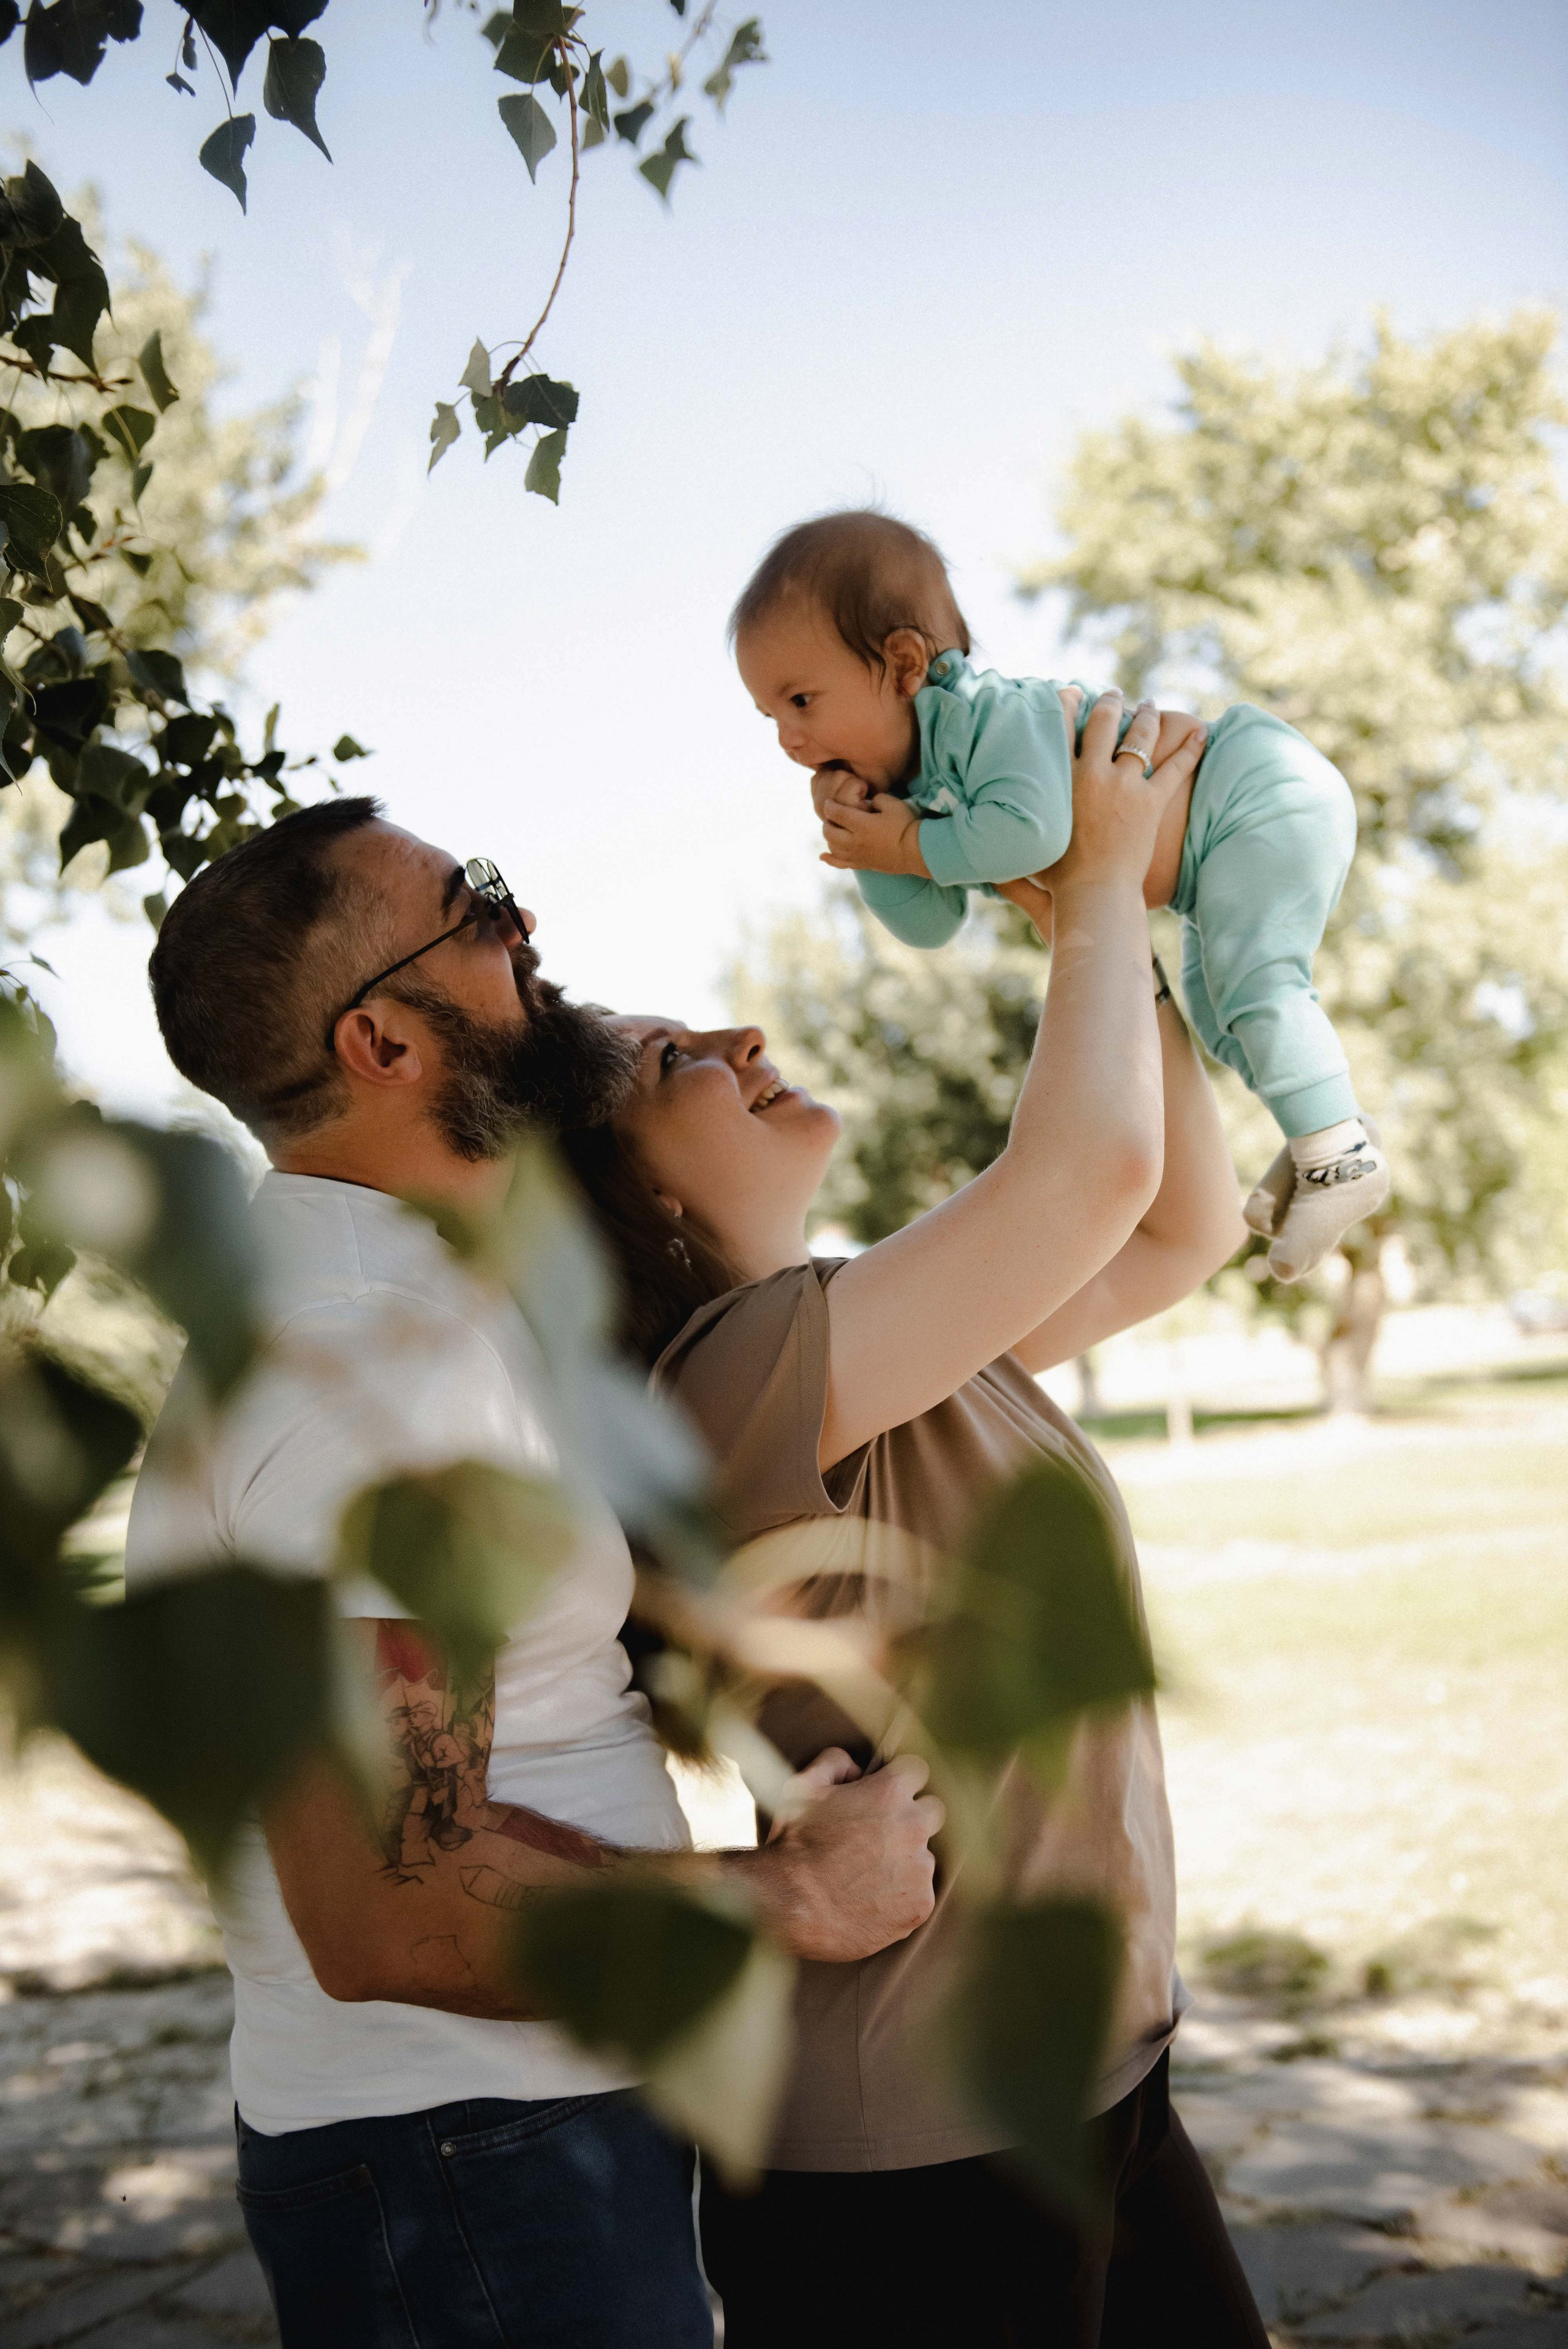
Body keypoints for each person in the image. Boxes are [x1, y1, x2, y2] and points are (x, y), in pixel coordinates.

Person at [125, 797, 946, 2349]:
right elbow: (394, 1901)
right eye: (478, 906)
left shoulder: (394, 1304)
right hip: (477, 2166)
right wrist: (794, 1886)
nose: (525, 930)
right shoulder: (368, 1361)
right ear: (381, 1043)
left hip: (487, 2147)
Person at [562, 694, 1271, 2347]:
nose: (739, 1039)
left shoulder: (869, 1336)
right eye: (675, 1060)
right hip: (912, 2148)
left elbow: (1183, 1220)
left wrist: (1081, 923)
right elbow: (1089, 1169)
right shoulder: (727, 1376)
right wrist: (1096, 879)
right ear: (638, 1201)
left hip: (1085, 2072)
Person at [730, 505, 1390, 1283]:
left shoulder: (988, 718)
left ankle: (1337, 1156)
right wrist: (869, 844)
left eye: (802, 700)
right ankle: (1326, 1132)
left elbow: (1035, 835)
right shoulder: (927, 788)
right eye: (770, 715)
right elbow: (930, 924)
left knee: (1256, 984)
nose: (787, 738)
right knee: (1218, 1011)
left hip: (1254, 793)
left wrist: (909, 842)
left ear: (906, 665)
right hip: (1215, 863)